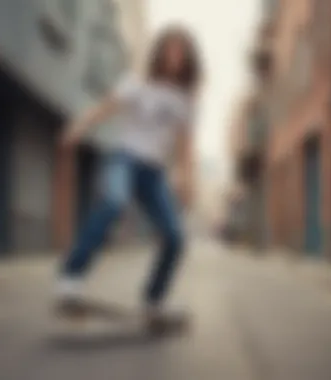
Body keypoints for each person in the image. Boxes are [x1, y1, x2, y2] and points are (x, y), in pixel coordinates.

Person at [55, 26, 202, 327]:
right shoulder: (138, 82)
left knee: (175, 237)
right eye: (169, 49)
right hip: (124, 159)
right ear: (159, 53)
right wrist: (78, 126)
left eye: (181, 51)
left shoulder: (186, 100)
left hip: (155, 172)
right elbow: (105, 108)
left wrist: (189, 181)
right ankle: (71, 278)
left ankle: (154, 299)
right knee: (113, 202)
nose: (174, 56)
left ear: (188, 59)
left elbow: (185, 146)